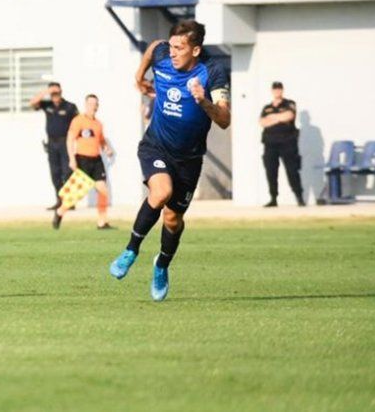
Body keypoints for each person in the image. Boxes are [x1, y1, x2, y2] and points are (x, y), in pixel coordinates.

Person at [107, 20, 230, 302]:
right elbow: (153, 48)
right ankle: (131, 250)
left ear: (196, 49)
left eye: (180, 48)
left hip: (189, 159)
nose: (172, 52)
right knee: (161, 192)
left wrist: (204, 102)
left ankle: (161, 265)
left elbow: (224, 120)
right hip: (156, 146)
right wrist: (139, 76)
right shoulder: (163, 54)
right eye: (172, 46)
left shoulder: (211, 73)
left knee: (173, 220)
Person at [53, 94, 114, 230]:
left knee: (103, 190)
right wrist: (72, 159)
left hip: (97, 160)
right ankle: (60, 212)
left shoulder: (98, 124)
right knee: (75, 194)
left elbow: (101, 140)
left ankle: (102, 222)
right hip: (82, 159)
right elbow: (70, 140)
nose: (94, 106)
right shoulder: (78, 120)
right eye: (91, 103)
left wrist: (107, 149)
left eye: (95, 104)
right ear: (86, 105)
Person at [30, 82, 79, 209]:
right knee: (55, 173)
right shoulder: (47, 105)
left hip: (65, 143)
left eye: (57, 93)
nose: (55, 96)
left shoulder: (69, 106)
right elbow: (32, 103)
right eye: (53, 93)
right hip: (52, 143)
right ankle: (60, 200)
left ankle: (69, 201)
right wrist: (46, 92)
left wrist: (76, 142)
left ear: (61, 92)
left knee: (67, 172)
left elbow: (78, 123)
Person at [260, 82, 304, 208]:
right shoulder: (266, 107)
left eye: (279, 88)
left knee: (292, 171)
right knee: (271, 172)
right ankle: (273, 198)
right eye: (275, 89)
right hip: (270, 143)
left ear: (282, 90)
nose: (277, 91)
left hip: (287, 143)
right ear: (272, 91)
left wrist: (273, 118)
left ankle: (299, 197)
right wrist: (279, 117)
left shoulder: (289, 104)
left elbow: (289, 116)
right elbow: (262, 122)